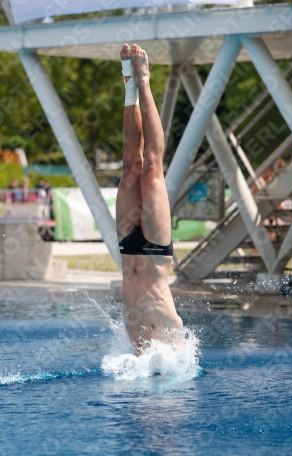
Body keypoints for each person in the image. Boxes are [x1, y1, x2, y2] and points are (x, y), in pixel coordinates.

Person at [116, 43, 183, 355]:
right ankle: (142, 81)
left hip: (129, 249)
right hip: (155, 252)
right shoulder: (166, 353)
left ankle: (132, 82)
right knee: (151, 167)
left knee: (133, 166)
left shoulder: (169, 354)